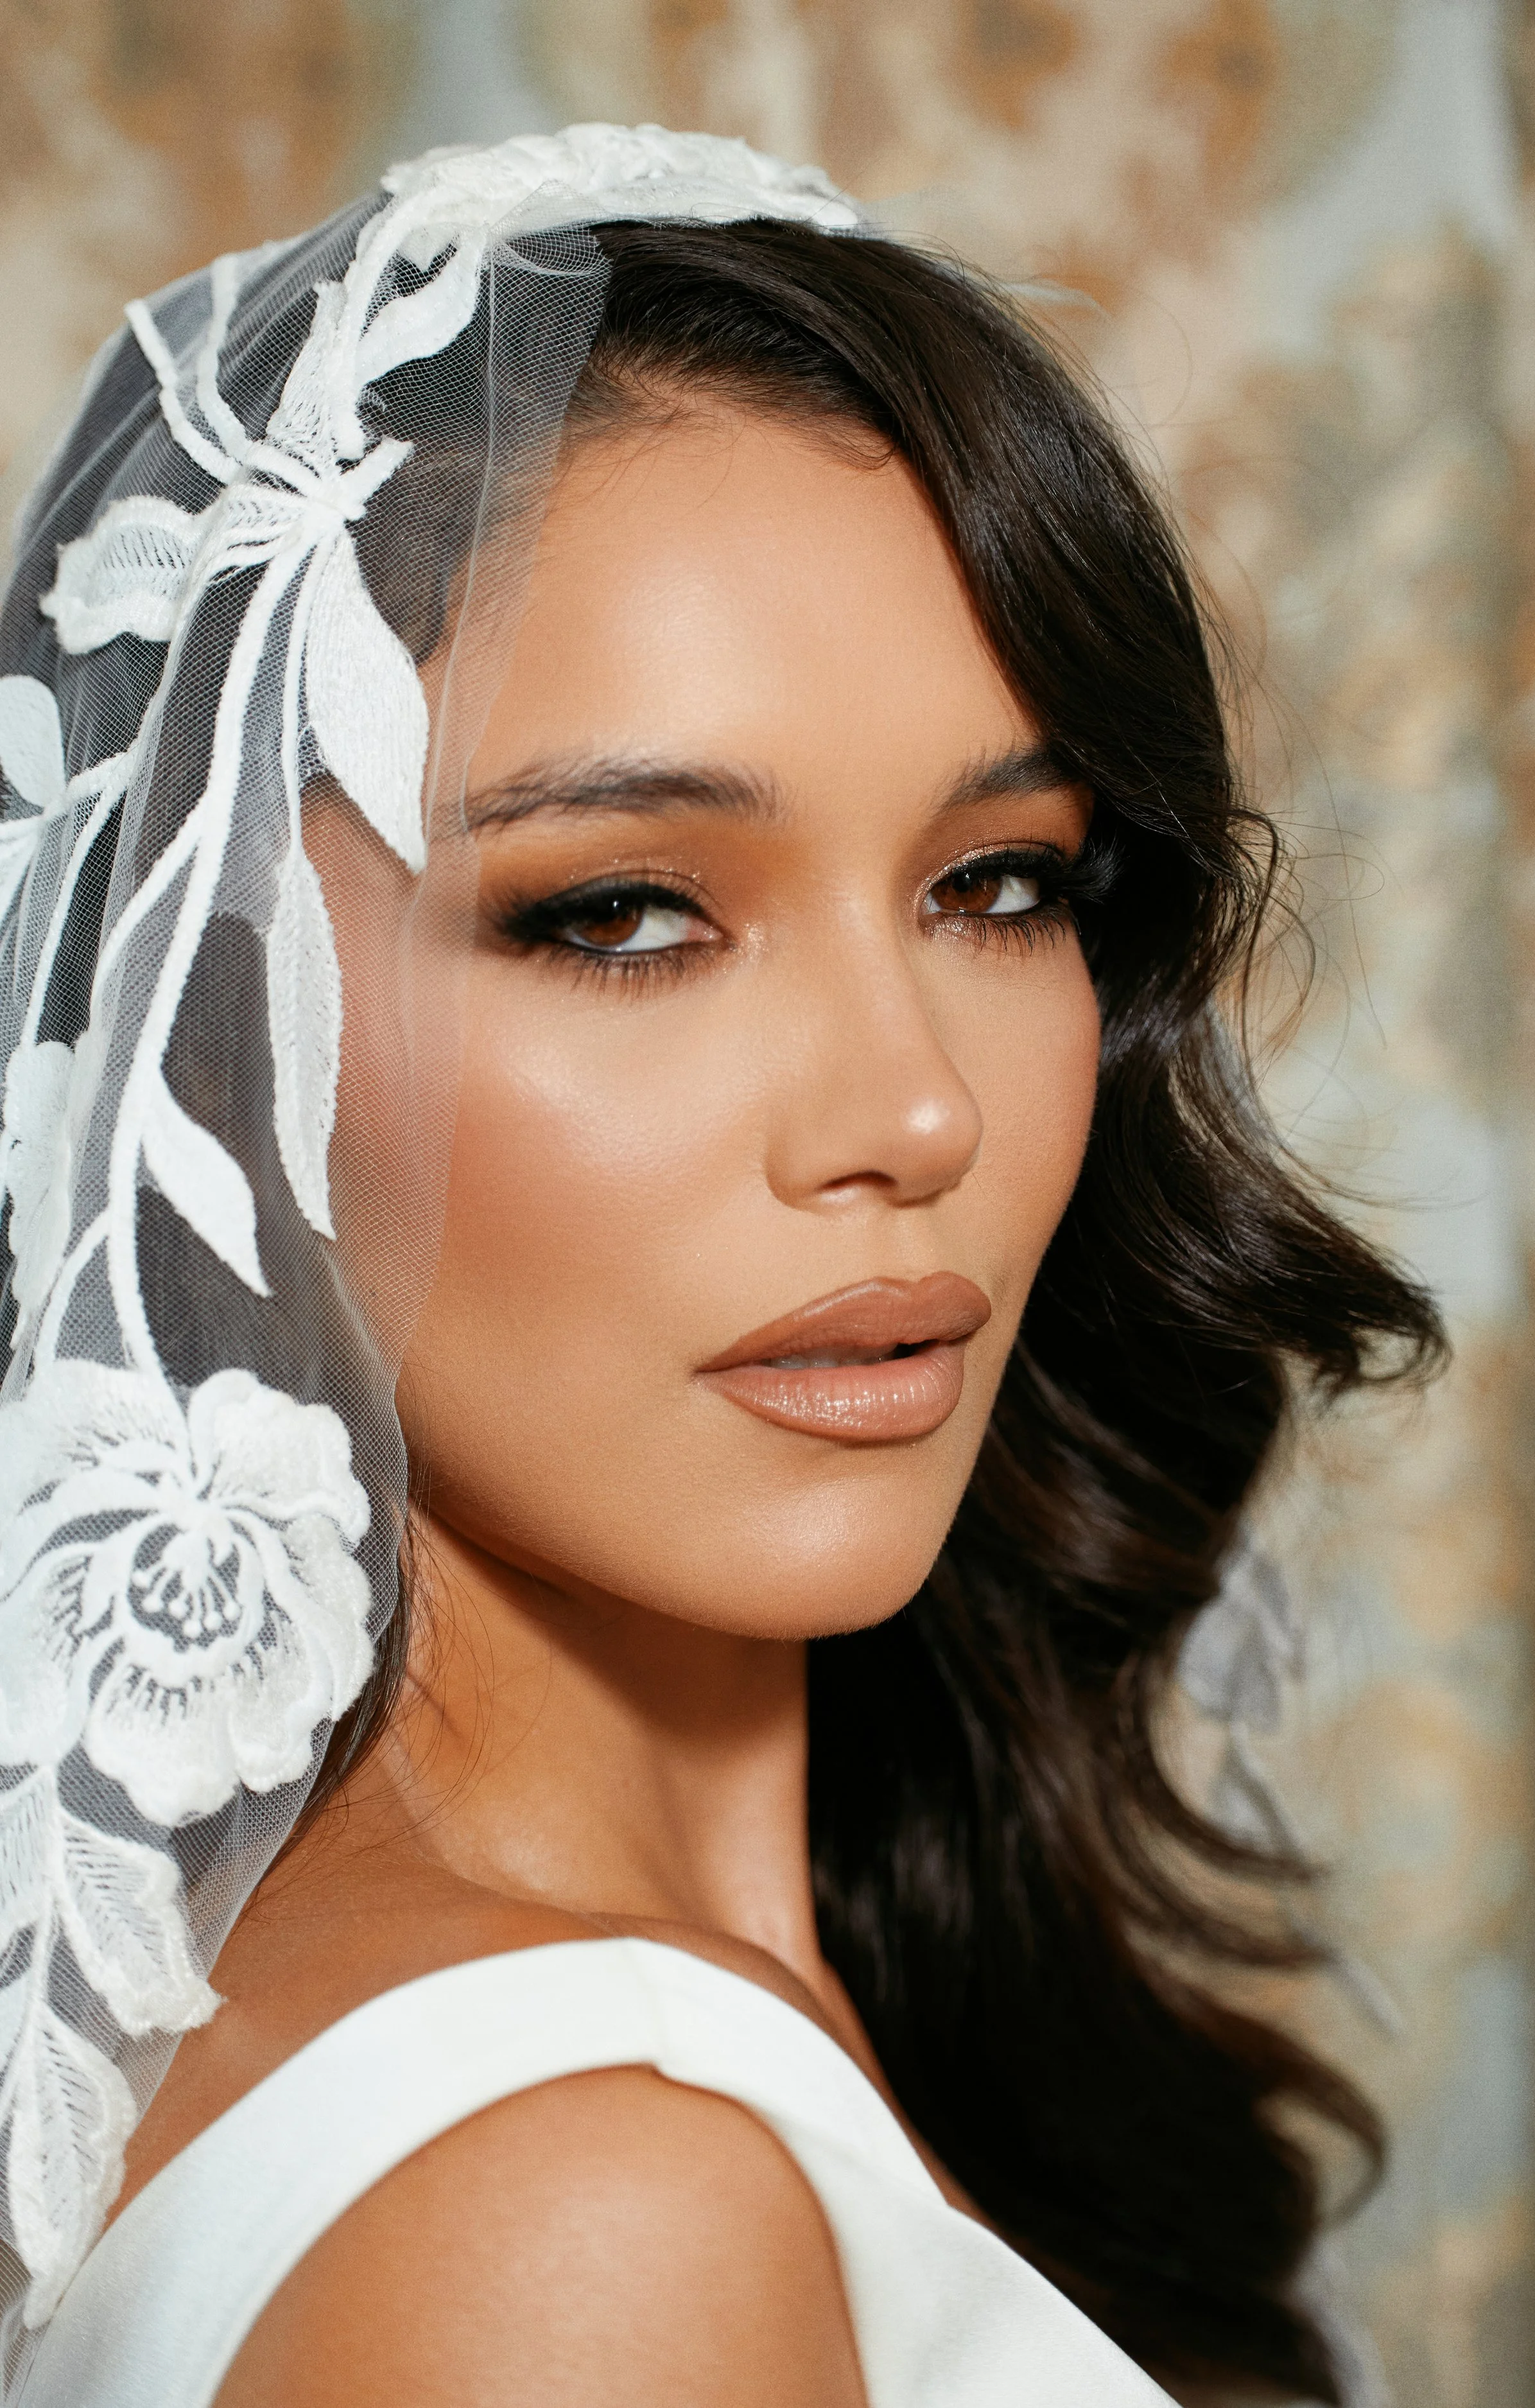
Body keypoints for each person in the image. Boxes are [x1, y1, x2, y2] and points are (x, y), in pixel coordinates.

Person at [0, 125, 1441, 2408]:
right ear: (210, 1018)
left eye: (1001, 883)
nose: (912, 1113)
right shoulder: (565, 2214)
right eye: (623, 910)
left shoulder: (748, 2024)